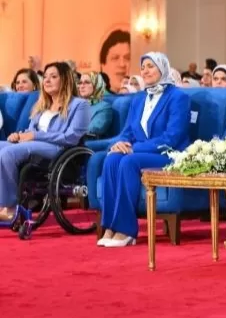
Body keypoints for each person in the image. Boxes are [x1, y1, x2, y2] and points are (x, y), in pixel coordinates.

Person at [97, 52, 190, 248]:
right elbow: (128, 131)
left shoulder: (178, 97)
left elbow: (171, 138)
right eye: (142, 67)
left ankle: (126, 230)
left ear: (162, 68)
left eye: (150, 66)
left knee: (129, 161)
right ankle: (110, 226)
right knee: (111, 159)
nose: (145, 71)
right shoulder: (139, 99)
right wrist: (120, 144)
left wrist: (134, 148)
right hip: (141, 152)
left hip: (168, 154)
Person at [0, 62, 90, 221]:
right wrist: (19, 136)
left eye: (53, 77)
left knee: (8, 153)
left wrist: (35, 136)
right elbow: (30, 132)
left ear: (65, 80)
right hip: (35, 144)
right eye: (46, 77)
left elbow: (71, 137)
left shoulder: (80, 105)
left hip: (59, 148)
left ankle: (9, 207)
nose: (47, 80)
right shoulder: (42, 105)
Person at [77, 71, 113, 138]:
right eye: (80, 83)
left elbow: (94, 129)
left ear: (97, 85)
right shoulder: (77, 105)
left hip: (87, 142)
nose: (81, 86)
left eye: (87, 82)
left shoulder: (104, 107)